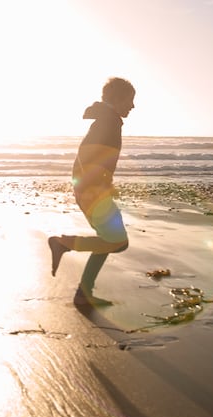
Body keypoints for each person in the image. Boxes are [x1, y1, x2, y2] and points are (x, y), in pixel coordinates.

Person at [48, 77, 136, 306]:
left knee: (108, 240)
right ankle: (63, 244)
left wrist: (105, 184)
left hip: (92, 189)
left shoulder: (107, 119)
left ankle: (84, 293)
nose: (133, 106)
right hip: (93, 192)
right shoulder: (109, 121)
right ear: (117, 99)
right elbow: (88, 155)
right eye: (130, 100)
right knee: (118, 242)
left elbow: (95, 156)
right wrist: (96, 187)